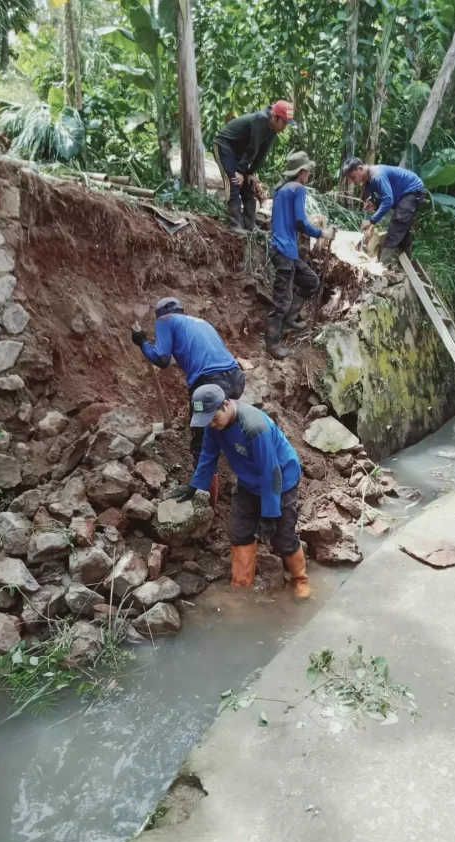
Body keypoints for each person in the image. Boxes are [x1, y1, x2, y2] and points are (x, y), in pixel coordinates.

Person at [176, 384, 310, 600]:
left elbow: (270, 472)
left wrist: (269, 515)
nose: (210, 424)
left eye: (213, 417)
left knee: (282, 537)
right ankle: (241, 589)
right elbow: (208, 455)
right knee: (240, 533)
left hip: (281, 479)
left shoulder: (254, 426)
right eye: (205, 420)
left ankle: (300, 579)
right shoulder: (213, 426)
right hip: (249, 481)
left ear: (226, 404)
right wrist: (194, 486)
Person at [131, 298, 245, 507]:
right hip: (236, 378)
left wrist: (142, 342)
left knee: (202, 439)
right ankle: (245, 474)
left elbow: (162, 359)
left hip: (211, 382)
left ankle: (207, 498)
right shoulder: (200, 322)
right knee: (225, 425)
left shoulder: (165, 320)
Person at [267, 151, 336, 360]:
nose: (308, 175)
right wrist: (323, 233)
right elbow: (300, 223)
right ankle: (272, 344)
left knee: (310, 281)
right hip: (284, 250)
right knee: (281, 300)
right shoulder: (298, 189)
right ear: (302, 172)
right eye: (308, 171)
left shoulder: (282, 190)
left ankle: (290, 318)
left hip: (286, 251)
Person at [213, 101, 297, 235]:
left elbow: (262, 153)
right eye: (284, 123)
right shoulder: (261, 119)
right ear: (275, 117)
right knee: (234, 182)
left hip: (239, 153)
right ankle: (234, 224)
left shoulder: (272, 129)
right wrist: (240, 171)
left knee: (248, 186)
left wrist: (251, 172)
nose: (285, 128)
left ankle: (250, 225)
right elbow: (253, 147)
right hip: (224, 146)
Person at [341, 158, 427, 265]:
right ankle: (406, 264)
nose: (353, 181)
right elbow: (385, 196)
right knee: (402, 229)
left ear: (360, 168)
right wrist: (374, 204)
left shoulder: (377, 176)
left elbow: (388, 200)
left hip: (413, 190)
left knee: (397, 225)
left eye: (353, 177)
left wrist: (371, 221)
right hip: (402, 194)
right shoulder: (369, 182)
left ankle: (382, 265)